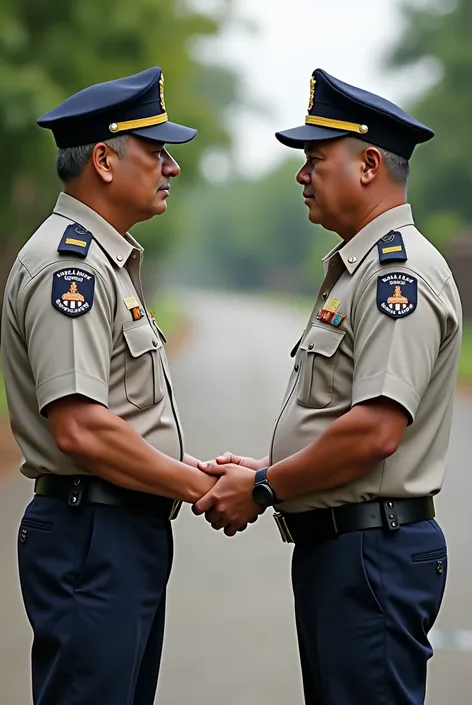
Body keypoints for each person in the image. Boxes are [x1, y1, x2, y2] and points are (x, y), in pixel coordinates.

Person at [193, 68, 463, 704]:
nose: (301, 175)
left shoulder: (400, 276)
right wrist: (276, 467)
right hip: (347, 551)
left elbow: (374, 432)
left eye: (316, 159)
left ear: (369, 165)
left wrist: (262, 487)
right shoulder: (359, 268)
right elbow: (343, 418)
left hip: (371, 556)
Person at [0, 67, 219, 705]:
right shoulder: (71, 267)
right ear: (103, 159)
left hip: (115, 529)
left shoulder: (103, 260)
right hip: (91, 533)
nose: (171, 167)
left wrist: (175, 470)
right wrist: (196, 486)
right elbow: (80, 426)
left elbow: (115, 413)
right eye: (156, 151)